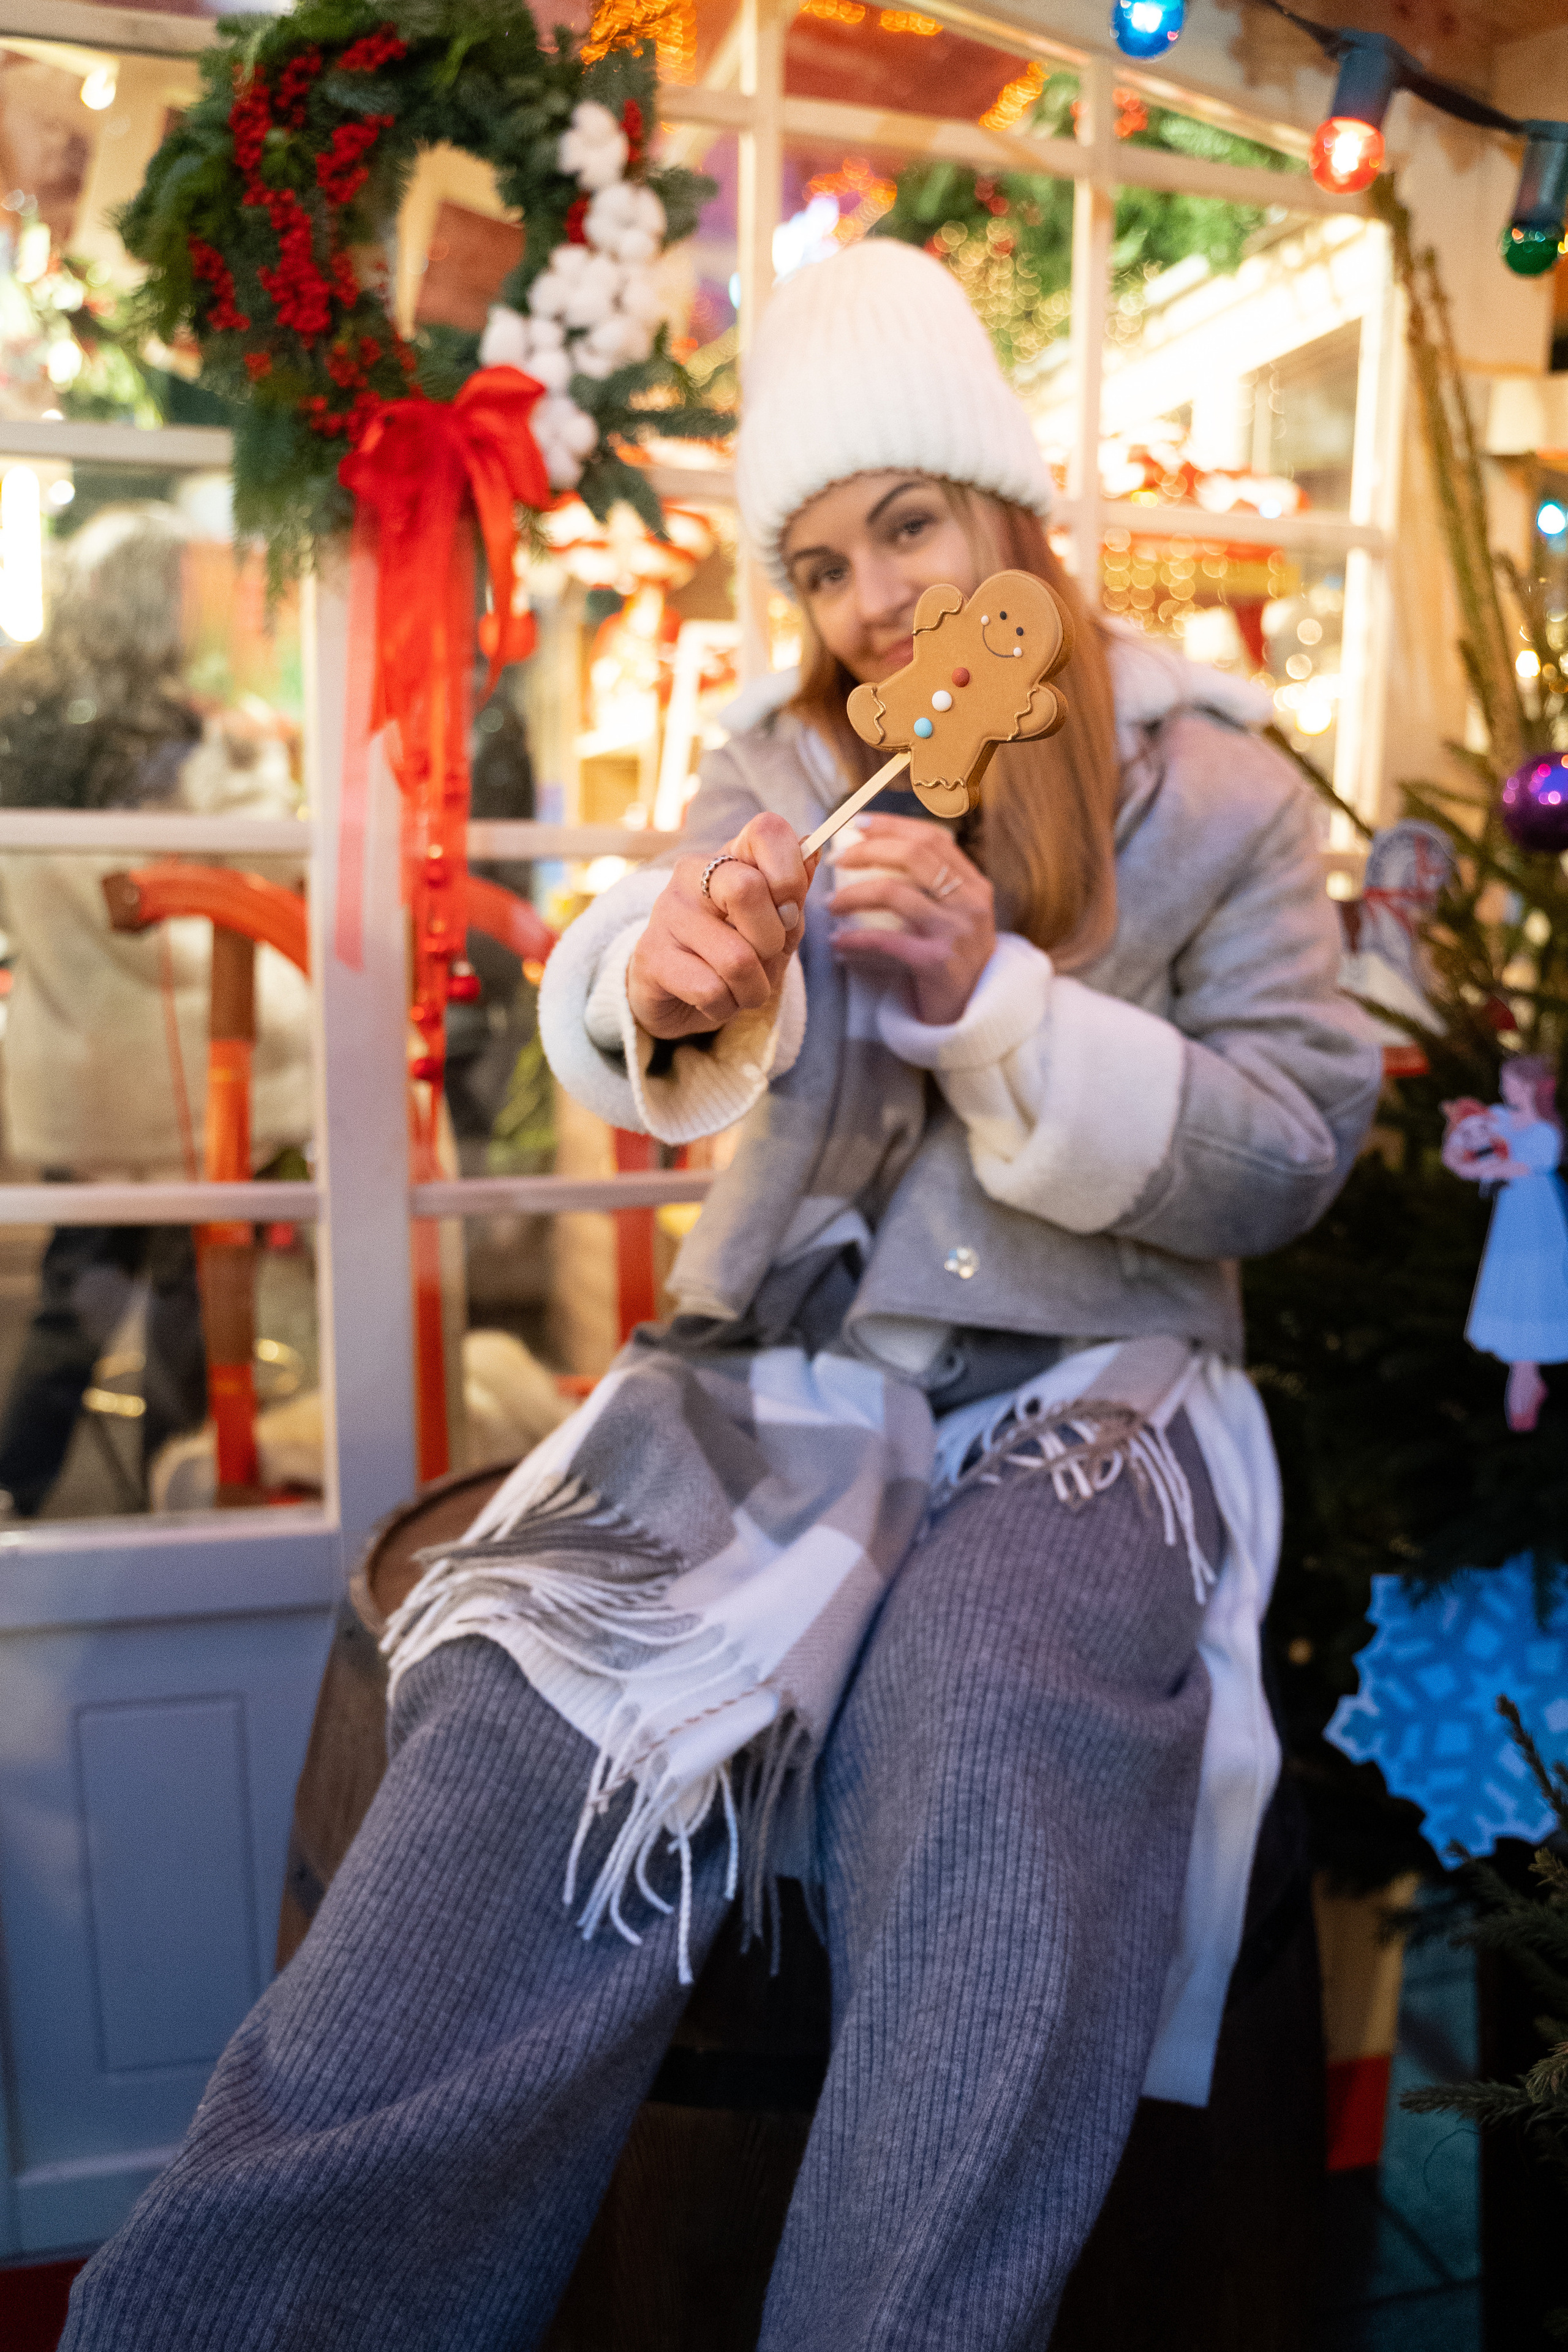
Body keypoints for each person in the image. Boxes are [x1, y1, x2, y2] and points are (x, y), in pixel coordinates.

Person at [62, 241, 1379, 2350]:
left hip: (1098, 1397)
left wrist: (1001, 1005)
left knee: (995, 1724)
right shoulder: (781, 766)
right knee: (520, 1731)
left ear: (1003, 511)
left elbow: (1296, 1145)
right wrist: (660, 978)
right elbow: (636, 972)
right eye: (820, 562)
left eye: (909, 528)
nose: (868, 604)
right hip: (780, 1380)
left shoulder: (1216, 793)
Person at [0, 503, 312, 1513]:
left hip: (73, 1064)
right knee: (189, 1302)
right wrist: (261, 757)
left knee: (75, 1298)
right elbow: (268, 868)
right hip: (187, 1072)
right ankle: (179, 1504)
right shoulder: (184, 737)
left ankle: (17, 1489)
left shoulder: (25, 721)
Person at [1441, 1054, 1568, 1431]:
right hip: (1512, 1218)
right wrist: (1459, 1157)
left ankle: (1526, 1388)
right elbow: (1464, 1137)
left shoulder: (1547, 1132)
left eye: (1510, 1083)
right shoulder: (1497, 1117)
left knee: (1536, 1282)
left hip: (1539, 1219)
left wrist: (1481, 1167)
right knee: (1515, 1283)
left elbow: (1520, 1166)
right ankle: (1525, 1387)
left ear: (1529, 1087)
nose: (1503, 1089)